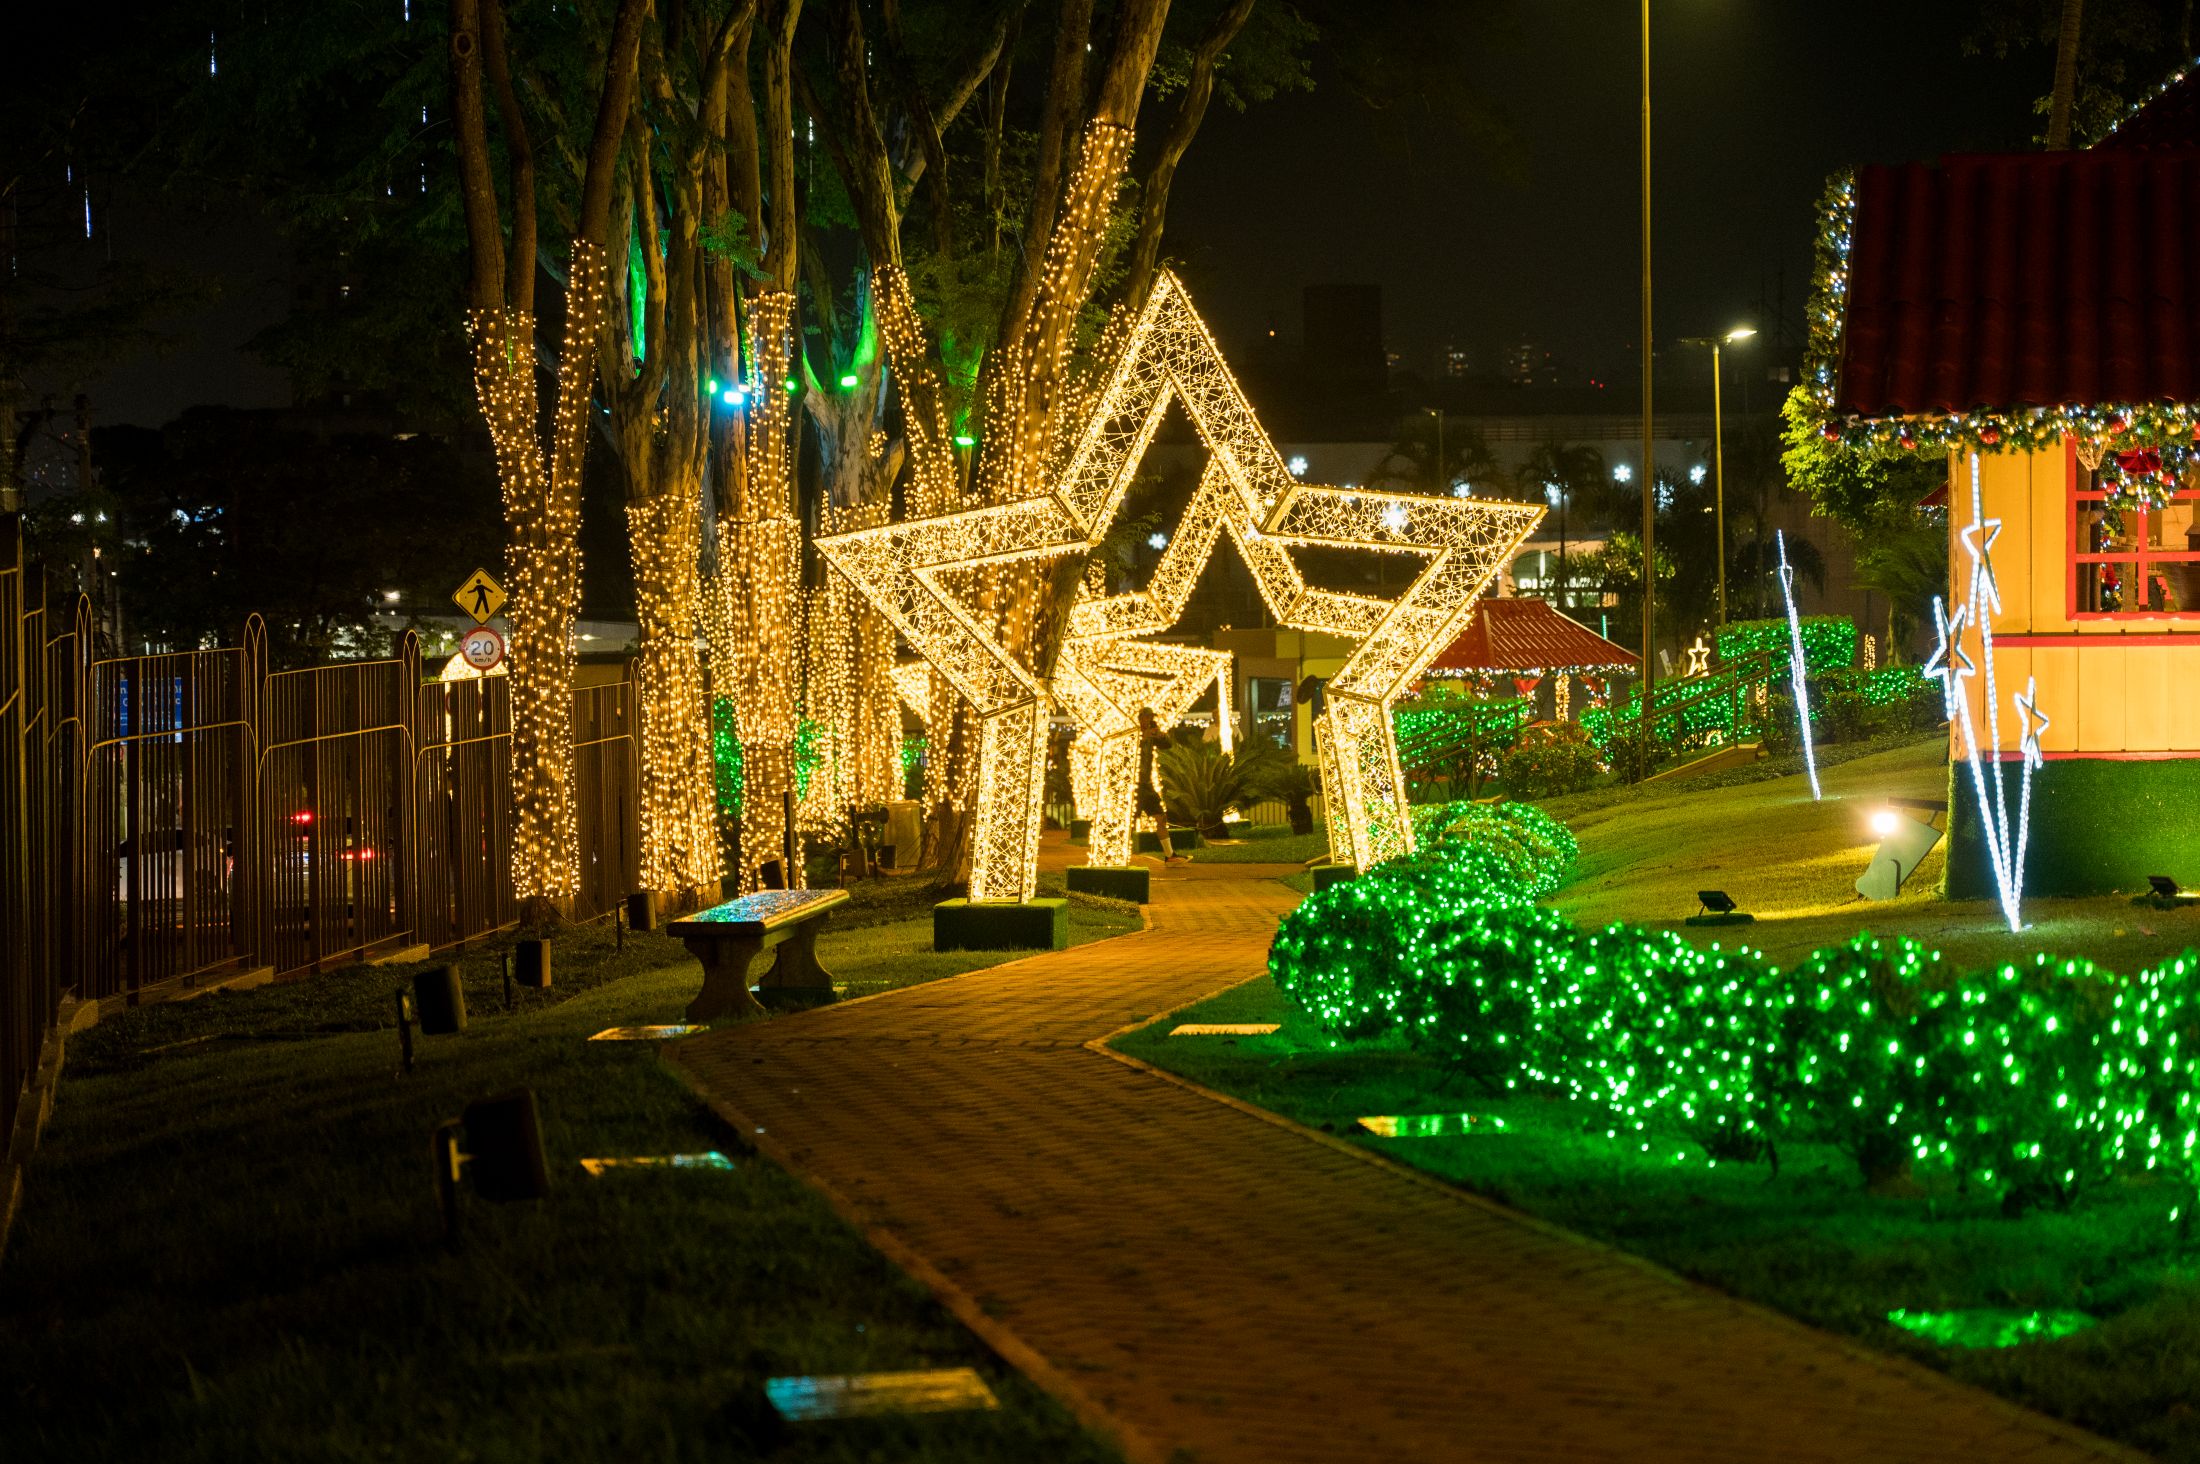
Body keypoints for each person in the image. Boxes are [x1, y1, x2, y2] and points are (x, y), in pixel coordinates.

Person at [1136, 708, 1186, 865]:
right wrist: (1142, 738)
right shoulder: (1131, 733)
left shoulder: (1151, 733)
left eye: (1151, 717)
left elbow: (1167, 745)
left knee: (1160, 817)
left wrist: (1162, 736)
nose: (1148, 720)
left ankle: (1169, 855)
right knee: (1130, 821)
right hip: (1133, 785)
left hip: (1146, 784)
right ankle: (1116, 855)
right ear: (1140, 718)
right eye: (1146, 717)